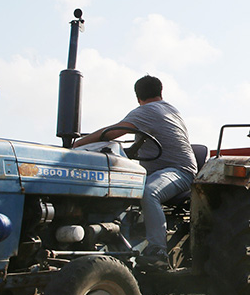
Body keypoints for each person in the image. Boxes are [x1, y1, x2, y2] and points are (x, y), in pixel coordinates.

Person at [74, 75, 197, 270]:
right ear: (160, 92)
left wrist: (79, 143)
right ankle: (119, 246)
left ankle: (157, 251)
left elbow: (114, 131)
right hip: (158, 171)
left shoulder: (147, 111)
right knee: (121, 189)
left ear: (138, 97)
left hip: (179, 171)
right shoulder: (170, 108)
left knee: (149, 192)